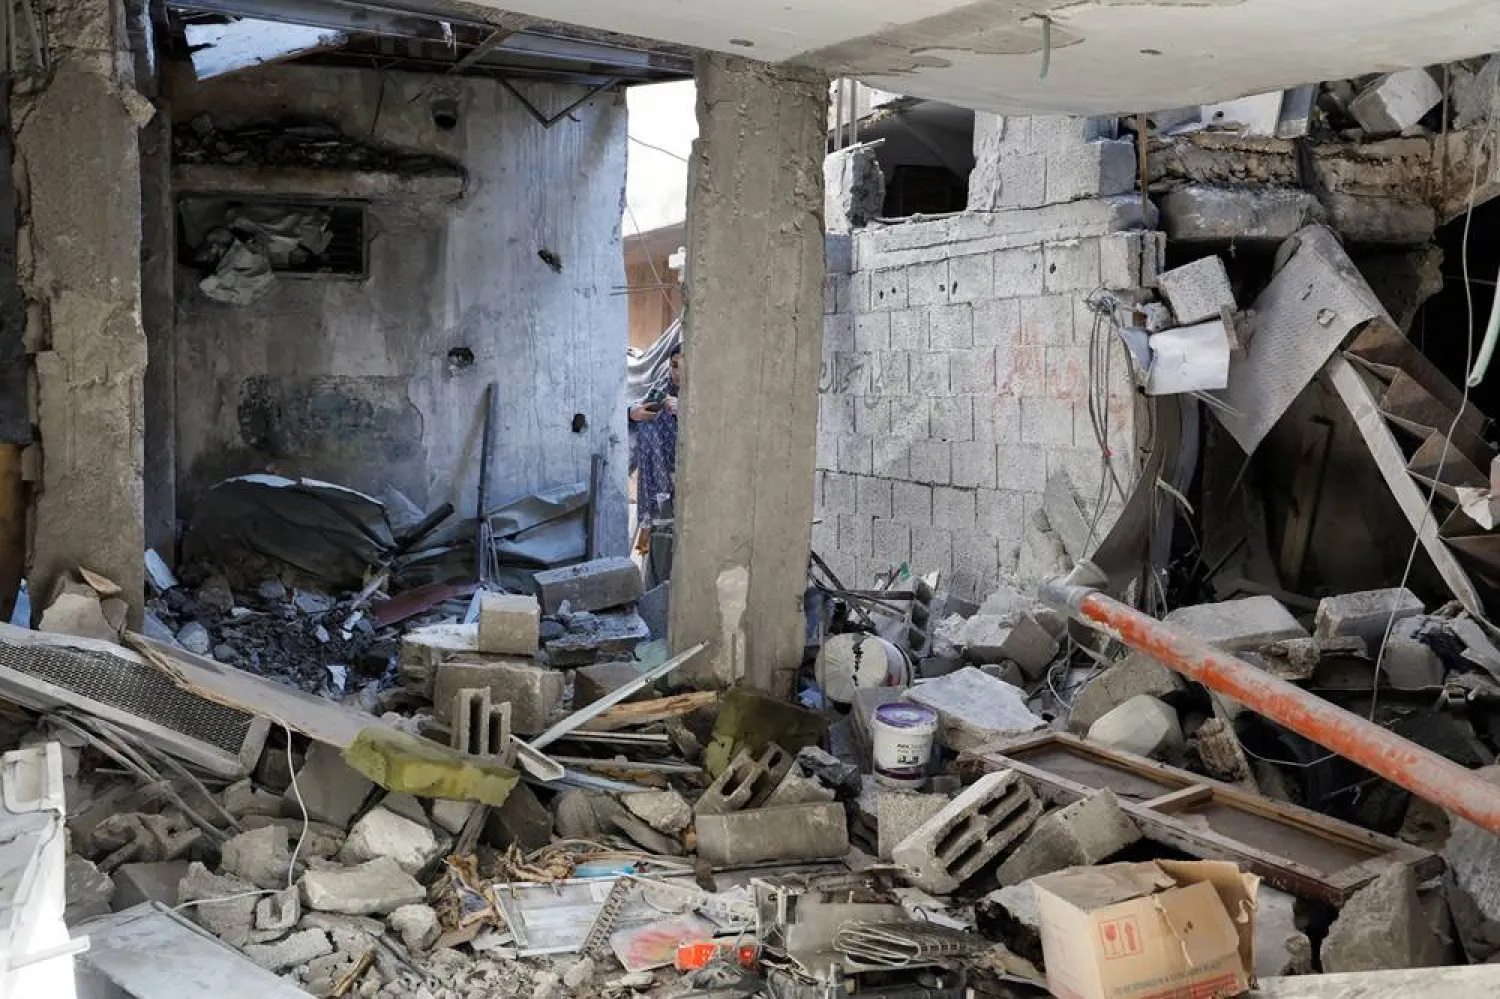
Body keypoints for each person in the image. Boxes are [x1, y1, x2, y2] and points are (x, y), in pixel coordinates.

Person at [629, 345, 681, 527]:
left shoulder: (705, 398)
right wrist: (633, 412)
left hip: (688, 483)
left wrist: (684, 410)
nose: (677, 373)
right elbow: (635, 406)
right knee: (659, 542)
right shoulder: (660, 391)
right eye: (674, 366)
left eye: (683, 367)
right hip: (658, 481)